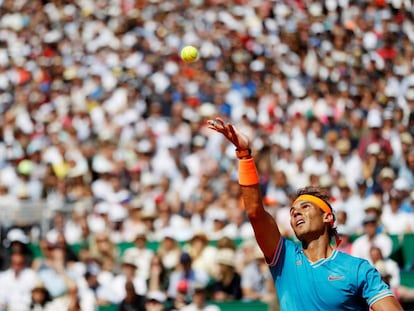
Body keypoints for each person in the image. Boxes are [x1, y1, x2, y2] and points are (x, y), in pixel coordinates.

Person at [207, 117, 403, 310]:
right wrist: (244, 155)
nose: (296, 213)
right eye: (292, 211)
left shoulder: (358, 269)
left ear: (328, 217)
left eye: (305, 207)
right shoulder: (284, 256)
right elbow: (255, 212)